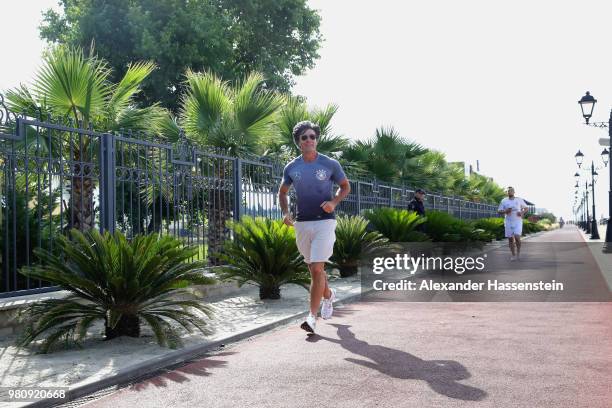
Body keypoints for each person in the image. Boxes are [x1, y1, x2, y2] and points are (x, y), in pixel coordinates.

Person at [278, 121, 351, 334]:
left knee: (318, 269)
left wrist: (333, 203)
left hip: (325, 221)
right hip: (302, 222)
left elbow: (345, 186)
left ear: (316, 140)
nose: (309, 140)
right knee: (313, 269)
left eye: (312, 136)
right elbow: (282, 191)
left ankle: (311, 317)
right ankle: (328, 296)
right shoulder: (291, 167)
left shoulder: (330, 164)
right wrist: (285, 212)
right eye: (304, 137)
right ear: (298, 143)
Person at [497, 186, 528, 261]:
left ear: (514, 192)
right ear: (506, 192)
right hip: (508, 221)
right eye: (508, 191)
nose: (509, 192)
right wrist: (505, 211)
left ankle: (518, 253)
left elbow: (526, 208)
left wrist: (522, 212)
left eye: (511, 191)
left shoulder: (519, 200)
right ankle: (513, 255)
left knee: (517, 237)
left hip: (518, 221)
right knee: (510, 239)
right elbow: (499, 211)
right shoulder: (504, 200)